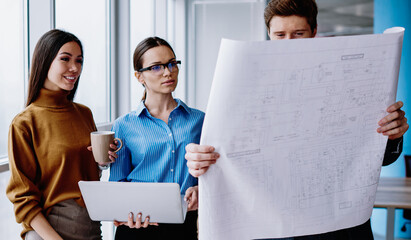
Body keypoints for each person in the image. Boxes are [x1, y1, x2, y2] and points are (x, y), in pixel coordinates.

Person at [185, 0, 409, 240]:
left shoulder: (349, 80)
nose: (288, 43)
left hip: (338, 228)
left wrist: (393, 135)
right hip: (270, 228)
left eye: (298, 34)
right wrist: (202, 160)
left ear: (314, 32)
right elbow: (230, 155)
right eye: (280, 35)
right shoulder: (242, 88)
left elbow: (381, 158)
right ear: (269, 35)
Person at [6, 29, 117, 240]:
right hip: (49, 233)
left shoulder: (83, 113)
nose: (74, 68)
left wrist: (102, 161)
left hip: (90, 228)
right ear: (45, 60)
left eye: (79, 60)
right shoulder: (24, 123)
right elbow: (23, 198)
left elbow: (83, 176)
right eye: (65, 59)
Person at [109, 36, 203, 240]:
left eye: (171, 64)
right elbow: (117, 183)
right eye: (156, 67)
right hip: (138, 228)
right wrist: (123, 215)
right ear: (139, 76)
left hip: (186, 226)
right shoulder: (123, 125)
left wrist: (200, 190)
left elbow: (215, 175)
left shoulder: (200, 120)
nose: (168, 72)